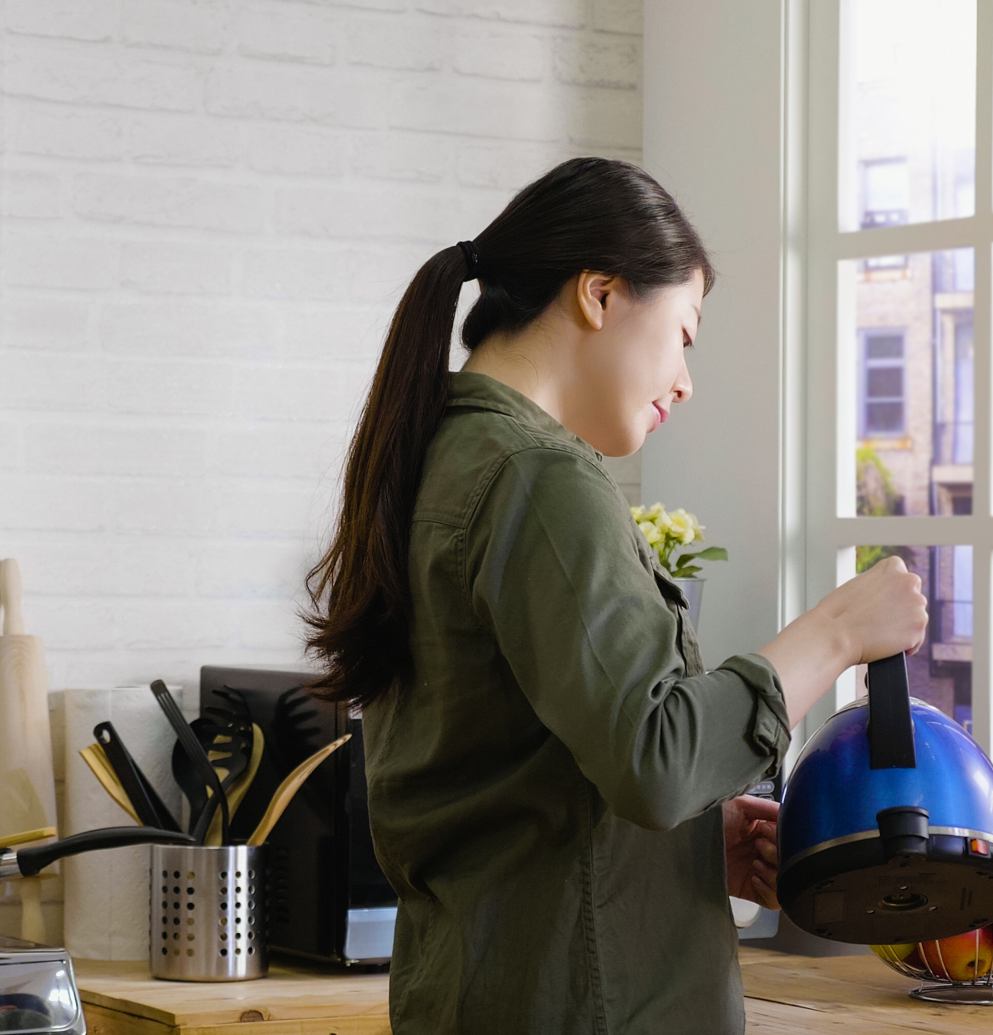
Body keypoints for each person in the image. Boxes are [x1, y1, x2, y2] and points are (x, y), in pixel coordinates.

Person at [302, 158, 928, 1033]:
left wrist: (679, 852)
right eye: (683, 334)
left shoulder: (441, 458)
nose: (686, 380)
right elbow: (660, 755)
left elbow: (503, 785)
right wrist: (836, 633)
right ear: (599, 294)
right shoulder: (540, 478)